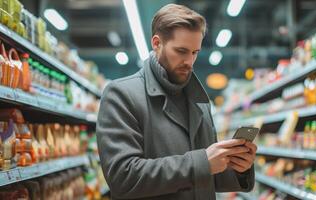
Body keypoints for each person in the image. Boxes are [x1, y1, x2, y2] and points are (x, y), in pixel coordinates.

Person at [97, 3, 256, 200]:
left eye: (195, 52)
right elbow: (123, 177)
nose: (189, 61)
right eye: (181, 51)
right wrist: (202, 163)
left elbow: (208, 177)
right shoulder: (121, 95)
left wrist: (239, 166)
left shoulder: (200, 102)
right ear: (157, 43)